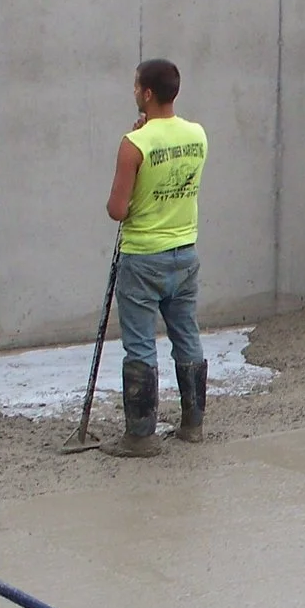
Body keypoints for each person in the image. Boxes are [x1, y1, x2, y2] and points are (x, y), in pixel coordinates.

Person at [103, 58, 208, 457]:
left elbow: (117, 208)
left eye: (135, 87)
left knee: (141, 346)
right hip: (185, 253)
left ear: (146, 93)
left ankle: (140, 436)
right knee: (187, 336)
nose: (133, 92)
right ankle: (192, 425)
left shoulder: (134, 145)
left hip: (143, 256)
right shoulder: (198, 135)